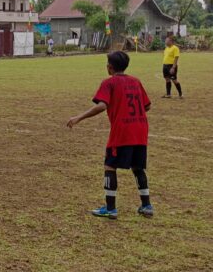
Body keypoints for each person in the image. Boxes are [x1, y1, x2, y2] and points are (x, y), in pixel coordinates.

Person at [66, 51, 154, 219]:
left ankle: (110, 208)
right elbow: (147, 106)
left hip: (122, 131)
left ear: (110, 67)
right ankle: (147, 206)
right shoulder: (136, 81)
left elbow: (102, 105)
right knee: (138, 167)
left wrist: (79, 117)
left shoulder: (109, 83)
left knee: (110, 166)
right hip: (141, 130)